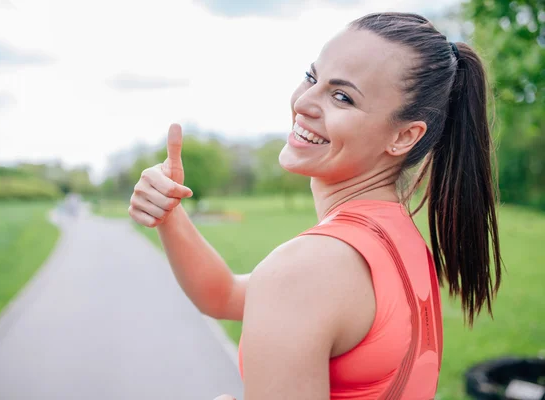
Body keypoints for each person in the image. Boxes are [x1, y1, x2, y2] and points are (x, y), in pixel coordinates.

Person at [128, 12, 503, 400]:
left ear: (404, 136)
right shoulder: (401, 241)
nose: (304, 102)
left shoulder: (308, 268)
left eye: (342, 96)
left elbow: (284, 290)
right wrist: (171, 215)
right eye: (312, 77)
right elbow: (222, 295)